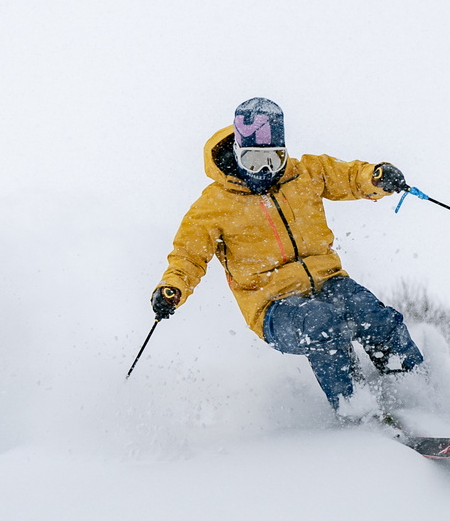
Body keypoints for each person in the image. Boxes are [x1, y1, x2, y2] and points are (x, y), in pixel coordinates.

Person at [151, 97, 424, 421]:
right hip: (272, 304)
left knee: (373, 315)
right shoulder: (214, 204)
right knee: (325, 325)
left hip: (329, 281)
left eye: (274, 158)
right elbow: (188, 254)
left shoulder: (305, 173)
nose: (265, 170)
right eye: (254, 160)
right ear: (238, 154)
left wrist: (375, 177)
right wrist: (173, 287)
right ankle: (357, 411)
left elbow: (350, 176)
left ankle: (417, 389)